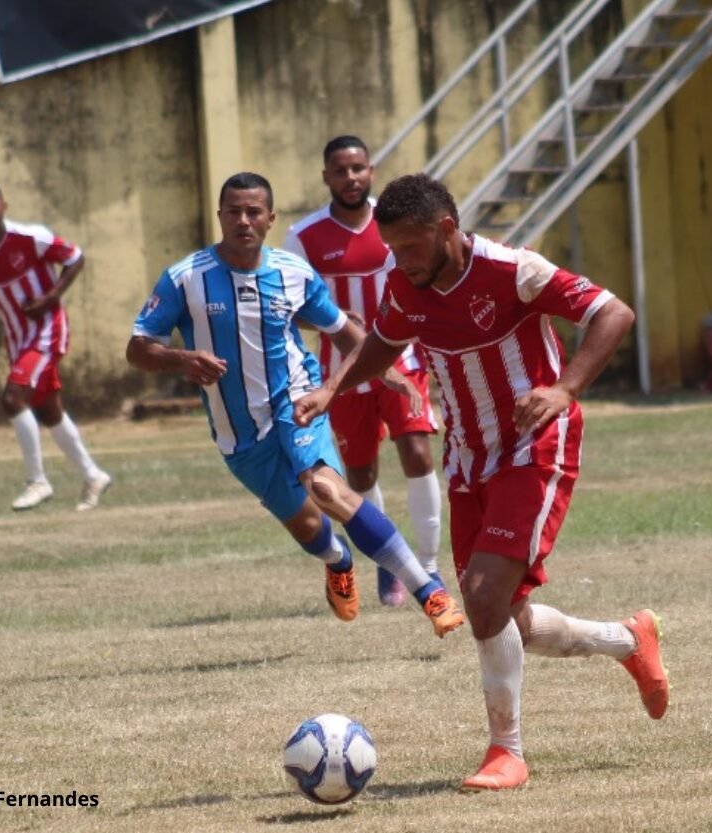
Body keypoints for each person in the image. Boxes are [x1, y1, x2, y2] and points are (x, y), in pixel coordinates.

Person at [295, 173, 669, 791]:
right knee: (502, 615)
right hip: (469, 458)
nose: (400, 260)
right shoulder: (404, 284)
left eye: (411, 246)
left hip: (534, 446)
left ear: (446, 229)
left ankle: (507, 753)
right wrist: (334, 387)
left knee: (483, 593)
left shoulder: (512, 270)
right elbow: (384, 345)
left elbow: (611, 312)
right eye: (392, 248)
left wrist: (563, 388)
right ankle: (627, 639)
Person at [125, 172, 464, 637]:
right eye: (234, 211)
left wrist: (390, 373)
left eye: (253, 212)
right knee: (308, 527)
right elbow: (138, 347)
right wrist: (179, 359)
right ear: (220, 215)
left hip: (297, 401)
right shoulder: (186, 278)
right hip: (238, 431)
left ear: (270, 219)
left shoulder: (293, 272)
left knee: (327, 491)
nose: (243, 220)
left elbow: (343, 331)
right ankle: (338, 559)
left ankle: (429, 592)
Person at [284, 135, 443, 608]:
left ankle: (430, 566)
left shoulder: (395, 223)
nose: (350, 178)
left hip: (402, 359)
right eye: (340, 170)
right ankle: (388, 566)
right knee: (359, 469)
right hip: (341, 371)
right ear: (326, 177)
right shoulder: (305, 236)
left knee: (417, 452)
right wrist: (332, 321)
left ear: (371, 172)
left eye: (358, 168)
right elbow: (291, 304)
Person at [0, 180, 112, 512]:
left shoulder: (30, 237)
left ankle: (38, 481)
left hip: (47, 332)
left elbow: (75, 258)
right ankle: (93, 475)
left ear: (4, 205)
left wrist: (51, 297)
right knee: (48, 410)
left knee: (12, 398)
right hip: (18, 340)